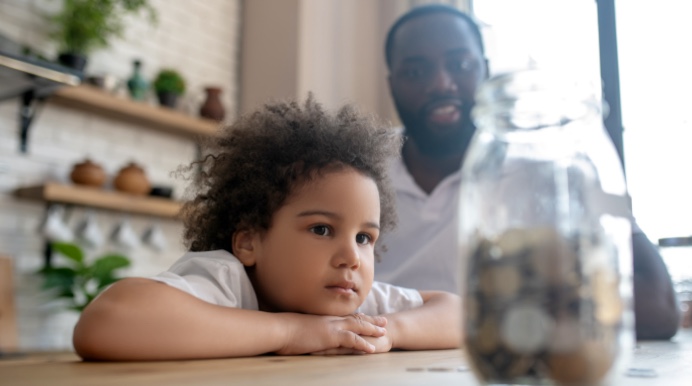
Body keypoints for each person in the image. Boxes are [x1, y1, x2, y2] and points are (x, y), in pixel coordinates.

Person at [72, 96, 462, 361]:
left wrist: (390, 331)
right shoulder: (225, 281)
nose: (351, 258)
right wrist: (290, 332)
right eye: (322, 230)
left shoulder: (354, 308)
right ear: (248, 242)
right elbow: (107, 321)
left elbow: (461, 314)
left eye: (364, 238)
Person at [376, 4, 680, 340]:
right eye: (416, 72)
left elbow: (659, 309)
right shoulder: (361, 169)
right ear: (391, 84)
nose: (441, 84)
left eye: (460, 65)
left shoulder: (552, 159)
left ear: (485, 70)